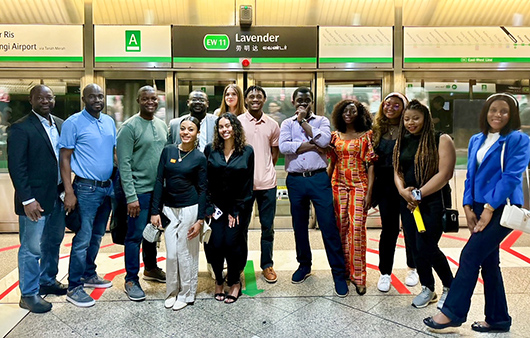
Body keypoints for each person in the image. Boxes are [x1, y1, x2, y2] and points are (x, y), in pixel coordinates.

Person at [424, 93, 530, 332]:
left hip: (501, 207)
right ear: (486, 112)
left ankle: (452, 313)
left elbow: (511, 177)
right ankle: (498, 318)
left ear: (512, 114)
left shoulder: (518, 139)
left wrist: (489, 209)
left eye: (505, 111)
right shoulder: (476, 139)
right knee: (489, 262)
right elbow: (470, 174)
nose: (498, 115)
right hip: (479, 206)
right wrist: (468, 206)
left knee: (470, 255)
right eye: (494, 110)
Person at [279, 87, 349, 297]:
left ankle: (338, 273)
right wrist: (312, 145)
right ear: (293, 102)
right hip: (296, 181)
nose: (303, 103)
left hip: (319, 179)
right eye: (299, 100)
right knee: (299, 226)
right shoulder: (285, 123)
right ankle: (304, 265)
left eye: (307, 100)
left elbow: (325, 142)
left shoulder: (322, 121)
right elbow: (284, 147)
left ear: (311, 102)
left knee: (328, 225)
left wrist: (303, 123)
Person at [7, 85, 67, 313]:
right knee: (31, 249)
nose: (45, 101)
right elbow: (17, 167)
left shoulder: (61, 124)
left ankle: (48, 280)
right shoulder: (21, 128)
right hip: (34, 202)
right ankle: (29, 293)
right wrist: (27, 199)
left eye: (49, 97)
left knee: (53, 242)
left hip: (57, 197)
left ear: (54, 100)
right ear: (31, 100)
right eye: (40, 97)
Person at [393, 99, 455, 308]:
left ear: (426, 118)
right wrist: (403, 192)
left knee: (427, 246)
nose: (411, 123)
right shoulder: (402, 140)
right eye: (407, 119)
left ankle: (449, 286)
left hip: (432, 201)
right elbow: (397, 170)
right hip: (408, 202)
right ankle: (428, 288)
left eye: (416, 118)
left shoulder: (441, 139)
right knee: (415, 247)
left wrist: (418, 194)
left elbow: (445, 173)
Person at [59, 84, 115, 308]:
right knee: (82, 238)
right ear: (83, 98)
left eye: (100, 96)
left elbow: (113, 153)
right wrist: (69, 191)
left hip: (106, 188)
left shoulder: (109, 121)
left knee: (98, 234)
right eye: (92, 96)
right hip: (85, 189)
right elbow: (64, 158)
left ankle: (88, 274)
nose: (97, 100)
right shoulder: (73, 123)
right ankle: (74, 286)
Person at [116, 86, 168, 302]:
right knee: (134, 236)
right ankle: (131, 279)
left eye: (154, 98)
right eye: (145, 99)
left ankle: (151, 268)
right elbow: (123, 164)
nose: (150, 102)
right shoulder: (129, 127)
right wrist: (131, 196)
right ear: (138, 100)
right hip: (139, 193)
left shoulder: (162, 125)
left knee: (152, 234)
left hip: (158, 193)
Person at [150, 116, 207, 311]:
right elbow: (159, 181)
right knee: (172, 255)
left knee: (187, 254)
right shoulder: (168, 151)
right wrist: (154, 211)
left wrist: (200, 220)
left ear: (197, 133)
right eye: (183, 129)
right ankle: (172, 292)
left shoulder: (199, 157)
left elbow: (203, 190)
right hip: (169, 209)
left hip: (190, 209)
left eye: (191, 129)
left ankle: (187, 293)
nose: (185, 133)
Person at [327, 99, 377, 295]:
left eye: (353, 111)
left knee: (357, 228)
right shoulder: (334, 137)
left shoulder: (366, 136)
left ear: (359, 114)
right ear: (340, 114)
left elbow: (371, 164)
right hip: (337, 184)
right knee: (340, 227)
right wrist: (326, 187)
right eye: (345, 111)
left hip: (359, 184)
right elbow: (331, 162)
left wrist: (370, 192)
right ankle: (343, 272)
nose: (348, 114)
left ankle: (359, 276)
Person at [204, 113, 254, 304]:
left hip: (238, 207)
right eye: (221, 127)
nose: (225, 130)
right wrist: (208, 206)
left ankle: (234, 281)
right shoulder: (211, 150)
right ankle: (218, 279)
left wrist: (236, 209)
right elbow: (205, 180)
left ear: (235, 127)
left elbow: (247, 183)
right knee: (215, 243)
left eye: (228, 126)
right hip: (214, 207)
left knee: (233, 244)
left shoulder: (247, 151)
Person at [372, 93, 418, 293]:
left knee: (410, 228)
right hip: (385, 187)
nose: (390, 107)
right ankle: (385, 273)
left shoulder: (409, 129)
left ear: (404, 108)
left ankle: (413, 268)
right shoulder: (377, 130)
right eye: (387, 104)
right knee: (388, 230)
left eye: (396, 105)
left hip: (407, 185)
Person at [238, 85, 280, 283]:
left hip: (268, 184)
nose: (255, 99)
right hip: (244, 186)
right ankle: (238, 264)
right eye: (251, 96)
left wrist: (264, 169)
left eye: (259, 96)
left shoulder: (272, 124)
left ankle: (267, 265)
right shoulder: (237, 123)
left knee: (267, 226)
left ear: (264, 100)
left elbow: (274, 153)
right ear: (245, 100)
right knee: (241, 227)